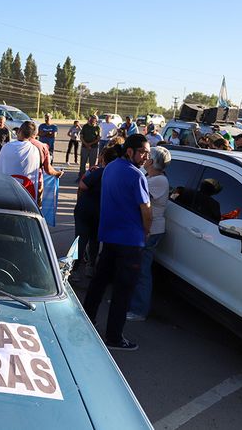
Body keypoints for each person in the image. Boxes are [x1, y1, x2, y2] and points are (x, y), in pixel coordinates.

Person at [83, 134, 151, 351]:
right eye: (142, 152)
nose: (145, 157)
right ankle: (114, 337)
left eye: (148, 153)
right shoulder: (136, 175)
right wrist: (147, 231)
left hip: (109, 236)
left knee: (99, 282)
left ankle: (86, 321)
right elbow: (146, 209)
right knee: (123, 290)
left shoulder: (111, 167)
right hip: (130, 241)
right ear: (129, 151)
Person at [127, 146, 171, 321]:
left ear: (152, 161)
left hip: (150, 231)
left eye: (147, 156)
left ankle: (138, 310)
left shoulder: (158, 181)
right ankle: (132, 304)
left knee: (142, 271)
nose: (144, 158)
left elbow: (138, 199)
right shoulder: (150, 177)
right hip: (145, 228)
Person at [70, 146, 119, 283]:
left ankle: (74, 270)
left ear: (104, 159)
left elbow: (83, 186)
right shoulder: (116, 174)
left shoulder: (99, 171)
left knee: (80, 240)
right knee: (94, 241)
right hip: (101, 213)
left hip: (85, 211)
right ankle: (90, 266)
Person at [0, 122, 41, 199]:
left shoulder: (6, 147)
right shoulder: (34, 150)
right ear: (32, 135)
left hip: (6, 192)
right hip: (27, 195)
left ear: (19, 131)